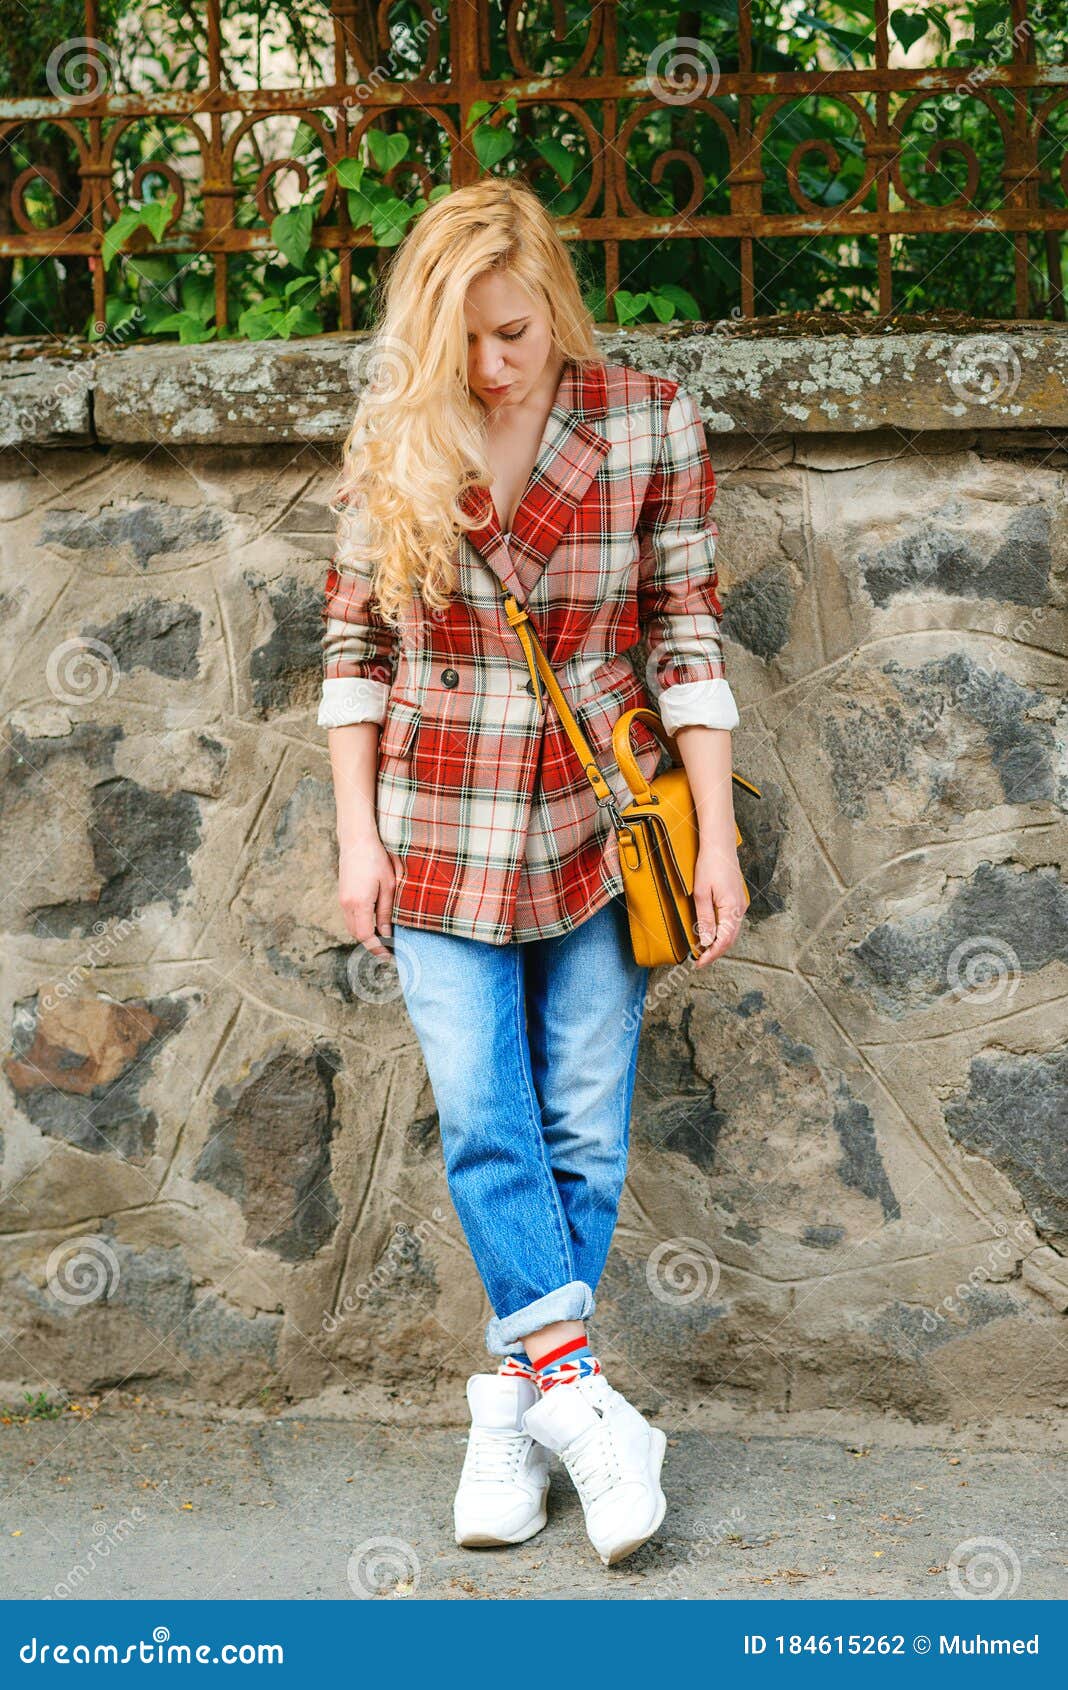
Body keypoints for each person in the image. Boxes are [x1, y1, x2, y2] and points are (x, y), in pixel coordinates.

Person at [318, 179, 746, 1567]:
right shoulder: (394, 436)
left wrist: (720, 837)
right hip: (437, 819)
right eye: (466, 346)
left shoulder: (646, 420)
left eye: (512, 334)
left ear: (552, 304)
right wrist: (356, 837)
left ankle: (507, 1408)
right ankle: (589, 1406)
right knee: (486, 1120)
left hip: (603, 825)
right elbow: (355, 660)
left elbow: (686, 640)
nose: (493, 368)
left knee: (581, 1125)